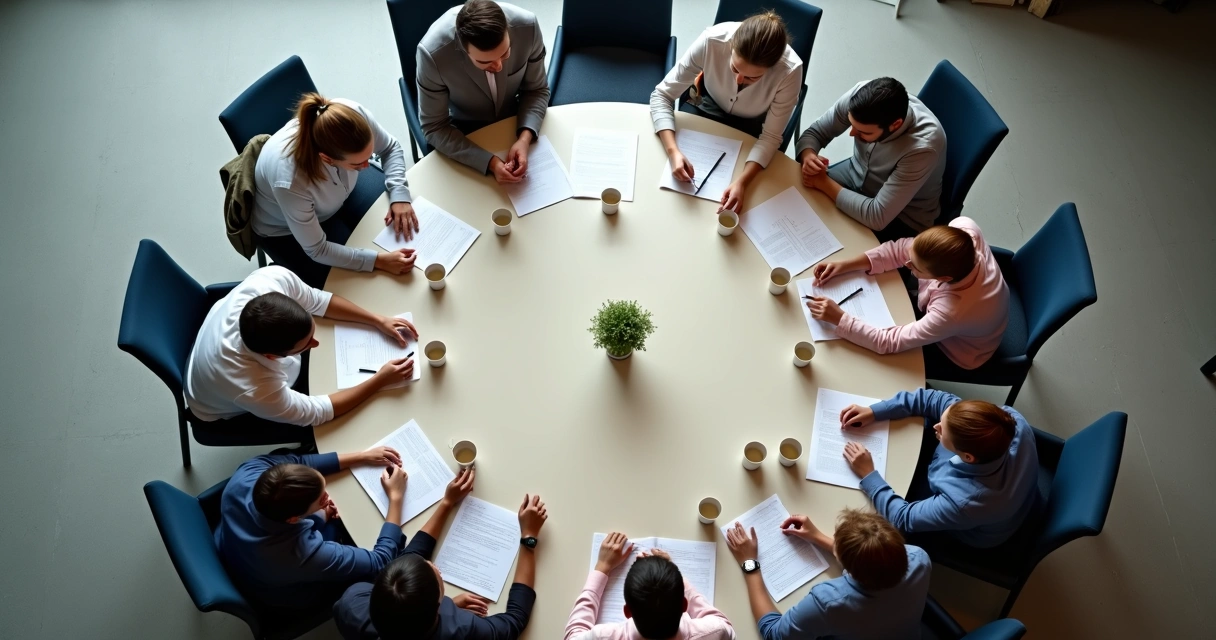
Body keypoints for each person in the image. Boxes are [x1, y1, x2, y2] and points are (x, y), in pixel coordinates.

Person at [184, 266, 416, 445]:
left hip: (209, 348)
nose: (317, 343)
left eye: (312, 333)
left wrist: (377, 320)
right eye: (306, 345)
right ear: (272, 356)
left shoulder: (272, 278)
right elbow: (317, 413)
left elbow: (317, 300)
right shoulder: (255, 388)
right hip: (216, 405)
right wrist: (380, 380)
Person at [253, 92, 419, 288]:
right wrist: (378, 261)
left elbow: (390, 148)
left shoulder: (352, 114)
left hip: (342, 191)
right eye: (359, 163)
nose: (369, 166)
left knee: (390, 233)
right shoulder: (289, 181)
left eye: (369, 156)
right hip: (285, 228)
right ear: (327, 158)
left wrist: (399, 195)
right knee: (357, 285)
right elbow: (318, 249)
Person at [333, 490, 549, 639]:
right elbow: (514, 621)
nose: (432, 564)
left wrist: (446, 503)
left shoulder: (351, 603)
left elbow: (410, 559)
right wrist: (528, 537)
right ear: (439, 605)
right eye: (434, 572)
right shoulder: (461, 629)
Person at [839, 389, 1040, 548]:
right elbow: (937, 399)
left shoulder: (966, 502)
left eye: (942, 430)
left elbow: (903, 518)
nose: (936, 426)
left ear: (967, 457)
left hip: (976, 527)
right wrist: (876, 411)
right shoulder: (1010, 420)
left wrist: (869, 474)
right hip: (1015, 495)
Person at [214, 446, 411, 609]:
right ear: (293, 519)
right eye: (322, 499)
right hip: (277, 588)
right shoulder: (303, 553)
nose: (327, 496)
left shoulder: (248, 474)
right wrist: (396, 497)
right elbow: (380, 561)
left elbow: (301, 460)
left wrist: (362, 456)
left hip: (234, 543)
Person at [805, 217, 1009, 371]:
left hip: (961, 349)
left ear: (944, 278)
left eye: (915, 267)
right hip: (979, 312)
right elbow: (900, 250)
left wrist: (840, 318)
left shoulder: (951, 313)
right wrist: (846, 265)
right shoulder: (964, 227)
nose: (906, 264)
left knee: (877, 364)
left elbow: (889, 342)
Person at [651, 12, 802, 213]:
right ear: (731, 46)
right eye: (734, 68)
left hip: (754, 122)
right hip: (708, 102)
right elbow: (662, 95)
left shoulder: (790, 71)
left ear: (772, 68)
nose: (739, 80)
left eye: (752, 78)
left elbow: (771, 136)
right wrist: (673, 152)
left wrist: (742, 183)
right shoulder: (712, 40)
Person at [724, 508, 930, 639]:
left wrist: (749, 562)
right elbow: (878, 560)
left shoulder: (829, 603)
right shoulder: (919, 558)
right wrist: (816, 537)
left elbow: (774, 633)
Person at [795, 77, 946, 241]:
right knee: (798, 202)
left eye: (863, 133)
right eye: (851, 124)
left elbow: (877, 216)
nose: (851, 133)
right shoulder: (861, 96)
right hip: (855, 175)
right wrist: (809, 155)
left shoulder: (923, 148)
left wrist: (823, 183)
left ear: (895, 125)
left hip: (900, 218)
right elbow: (814, 133)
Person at [417, 0, 549, 183]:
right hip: (465, 132)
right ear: (463, 50)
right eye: (485, 63)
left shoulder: (529, 27)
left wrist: (524, 139)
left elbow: (537, 90)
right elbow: (434, 127)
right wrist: (490, 163)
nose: (499, 66)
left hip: (515, 120)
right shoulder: (432, 55)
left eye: (505, 54)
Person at [563, 532, 736, 640]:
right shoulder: (714, 632)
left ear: (627, 611)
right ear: (684, 605)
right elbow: (723, 624)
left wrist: (602, 567)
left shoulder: (604, 636)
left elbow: (574, 634)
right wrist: (670, 575)